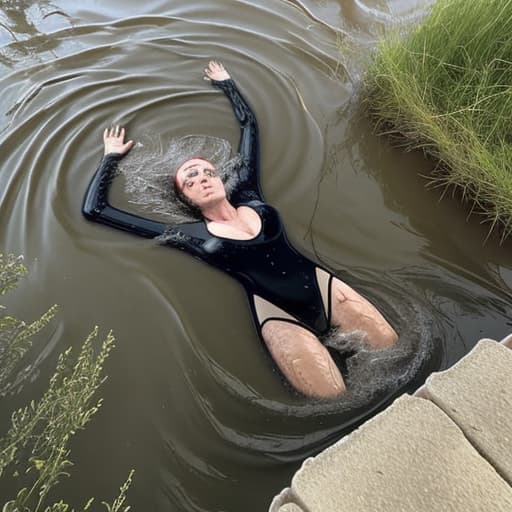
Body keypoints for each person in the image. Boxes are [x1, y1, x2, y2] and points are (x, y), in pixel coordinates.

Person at [83, 60, 398, 398]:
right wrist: (110, 157)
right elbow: (95, 210)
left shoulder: (250, 193)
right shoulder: (192, 237)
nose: (202, 179)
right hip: (276, 315)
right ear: (186, 198)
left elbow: (250, 127)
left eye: (206, 172)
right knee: (333, 396)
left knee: (391, 349)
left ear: (220, 178)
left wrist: (227, 83)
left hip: (321, 286)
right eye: (190, 180)